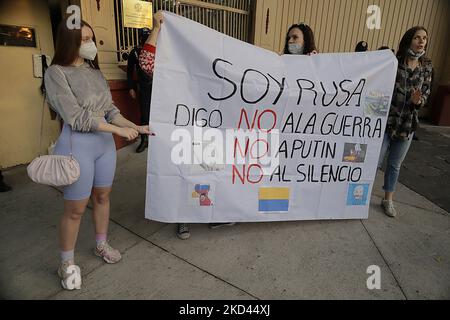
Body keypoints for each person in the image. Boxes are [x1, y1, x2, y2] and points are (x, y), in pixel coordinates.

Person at [44, 18, 154, 290]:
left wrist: (137, 126)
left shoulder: (95, 73)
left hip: (104, 146)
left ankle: (100, 244)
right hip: (77, 145)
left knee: (103, 196)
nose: (90, 44)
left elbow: (111, 111)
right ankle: (66, 262)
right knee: (75, 209)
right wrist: (117, 132)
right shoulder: (56, 73)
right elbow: (76, 117)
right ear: (69, 42)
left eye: (91, 38)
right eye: (84, 39)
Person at [138, 11, 236, 240]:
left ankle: (211, 213)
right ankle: (182, 216)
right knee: (183, 171)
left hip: (208, 128)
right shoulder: (172, 68)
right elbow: (146, 62)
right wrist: (157, 29)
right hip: (180, 127)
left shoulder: (214, 64)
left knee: (210, 170)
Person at [378, 26, 432, 218]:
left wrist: (419, 101)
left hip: (407, 125)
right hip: (386, 122)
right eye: (417, 37)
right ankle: (359, 196)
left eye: (424, 38)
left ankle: (388, 200)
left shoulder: (426, 67)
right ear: (409, 40)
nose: (421, 41)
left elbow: (425, 93)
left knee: (394, 165)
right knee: (375, 161)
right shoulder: (394, 63)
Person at [127, 27, 154, 153]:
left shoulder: (156, 51)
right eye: (144, 36)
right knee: (145, 115)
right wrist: (131, 87)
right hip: (144, 88)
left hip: (157, 88)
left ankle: (157, 141)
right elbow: (129, 71)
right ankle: (144, 140)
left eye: (148, 36)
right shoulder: (135, 52)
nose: (146, 38)